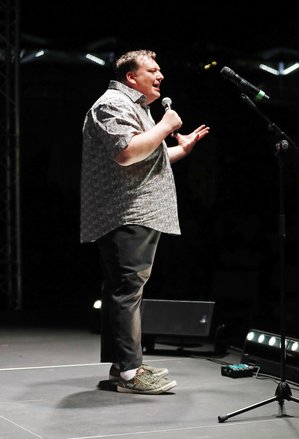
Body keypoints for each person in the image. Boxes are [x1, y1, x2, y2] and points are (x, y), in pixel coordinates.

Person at [80, 49, 210, 394]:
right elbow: (127, 153)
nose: (161, 75)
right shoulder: (113, 104)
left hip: (135, 210)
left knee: (123, 290)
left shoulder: (136, 108)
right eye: (153, 70)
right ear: (130, 77)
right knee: (127, 289)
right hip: (127, 211)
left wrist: (182, 148)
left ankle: (121, 366)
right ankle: (129, 373)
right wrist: (167, 126)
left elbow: (145, 155)